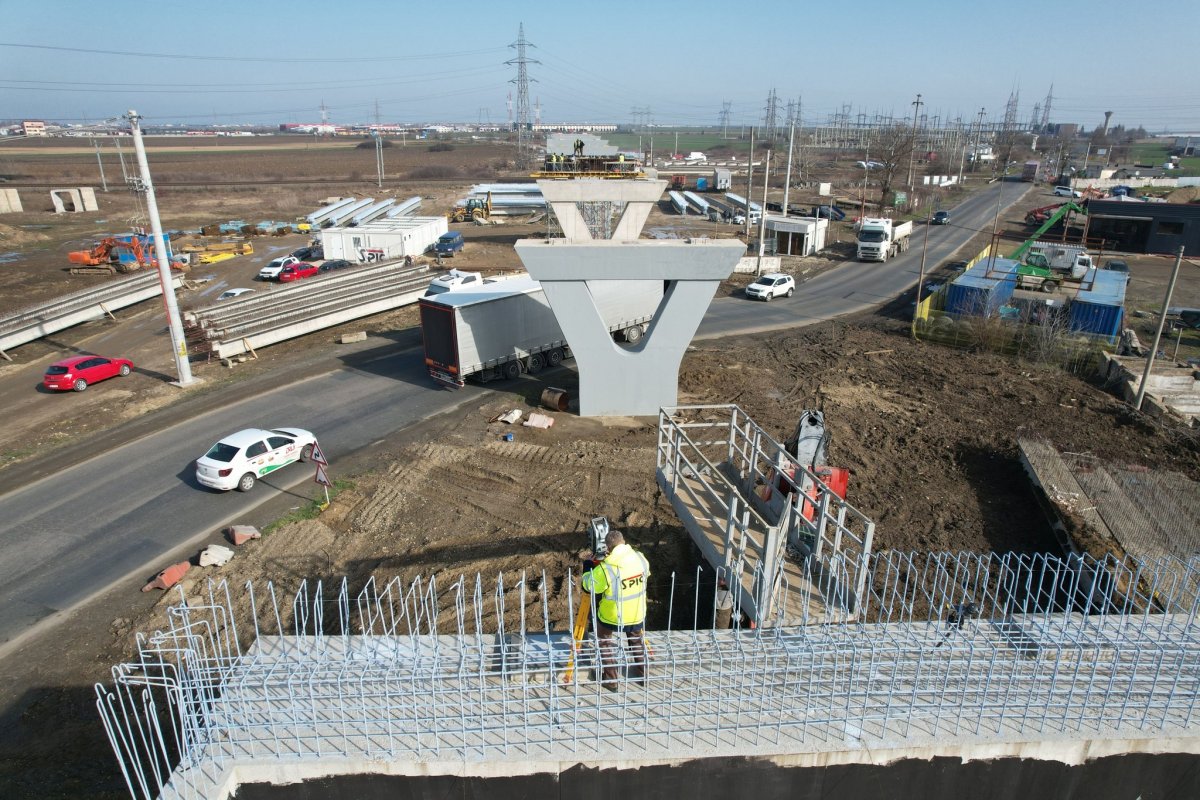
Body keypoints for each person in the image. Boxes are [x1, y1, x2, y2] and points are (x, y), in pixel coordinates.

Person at [581, 529, 650, 691]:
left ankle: (611, 681)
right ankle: (643, 674)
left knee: (604, 642)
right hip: (636, 612)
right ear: (624, 542)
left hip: (612, 616)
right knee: (636, 640)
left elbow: (589, 586)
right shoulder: (640, 558)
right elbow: (645, 574)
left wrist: (588, 568)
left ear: (608, 548)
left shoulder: (606, 569)